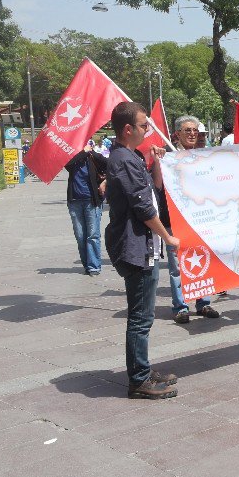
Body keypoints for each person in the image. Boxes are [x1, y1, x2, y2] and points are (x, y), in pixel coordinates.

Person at [104, 101, 179, 400]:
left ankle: (143, 369)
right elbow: (144, 207)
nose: (148, 129)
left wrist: (156, 161)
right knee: (140, 318)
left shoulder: (131, 156)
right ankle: (138, 380)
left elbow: (155, 191)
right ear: (128, 129)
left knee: (143, 315)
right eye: (144, 125)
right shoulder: (122, 160)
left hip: (142, 246)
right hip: (135, 248)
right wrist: (168, 238)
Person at [161, 115, 221, 325]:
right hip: (175, 220)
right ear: (177, 134)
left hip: (201, 220)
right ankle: (181, 306)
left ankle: (203, 302)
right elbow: (158, 186)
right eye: (188, 130)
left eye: (195, 130)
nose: (193, 134)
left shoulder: (203, 155)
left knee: (205, 261)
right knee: (178, 265)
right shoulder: (167, 155)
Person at [65, 140, 108, 276]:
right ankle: (87, 264)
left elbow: (110, 165)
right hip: (75, 201)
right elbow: (68, 165)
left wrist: (105, 183)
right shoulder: (72, 158)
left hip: (91, 200)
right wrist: (82, 152)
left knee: (93, 235)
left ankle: (94, 266)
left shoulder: (92, 156)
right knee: (80, 236)